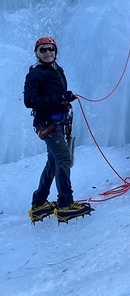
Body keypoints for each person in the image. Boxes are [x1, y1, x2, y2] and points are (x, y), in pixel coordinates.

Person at [24, 37, 93, 223]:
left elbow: (54, 96)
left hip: (57, 122)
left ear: (56, 51)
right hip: (47, 123)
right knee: (63, 158)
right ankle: (65, 204)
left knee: (54, 161)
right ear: (37, 53)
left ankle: (39, 202)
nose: (48, 53)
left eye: (51, 49)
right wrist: (59, 98)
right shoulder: (35, 74)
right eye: (43, 50)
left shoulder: (57, 70)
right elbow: (29, 101)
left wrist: (64, 98)